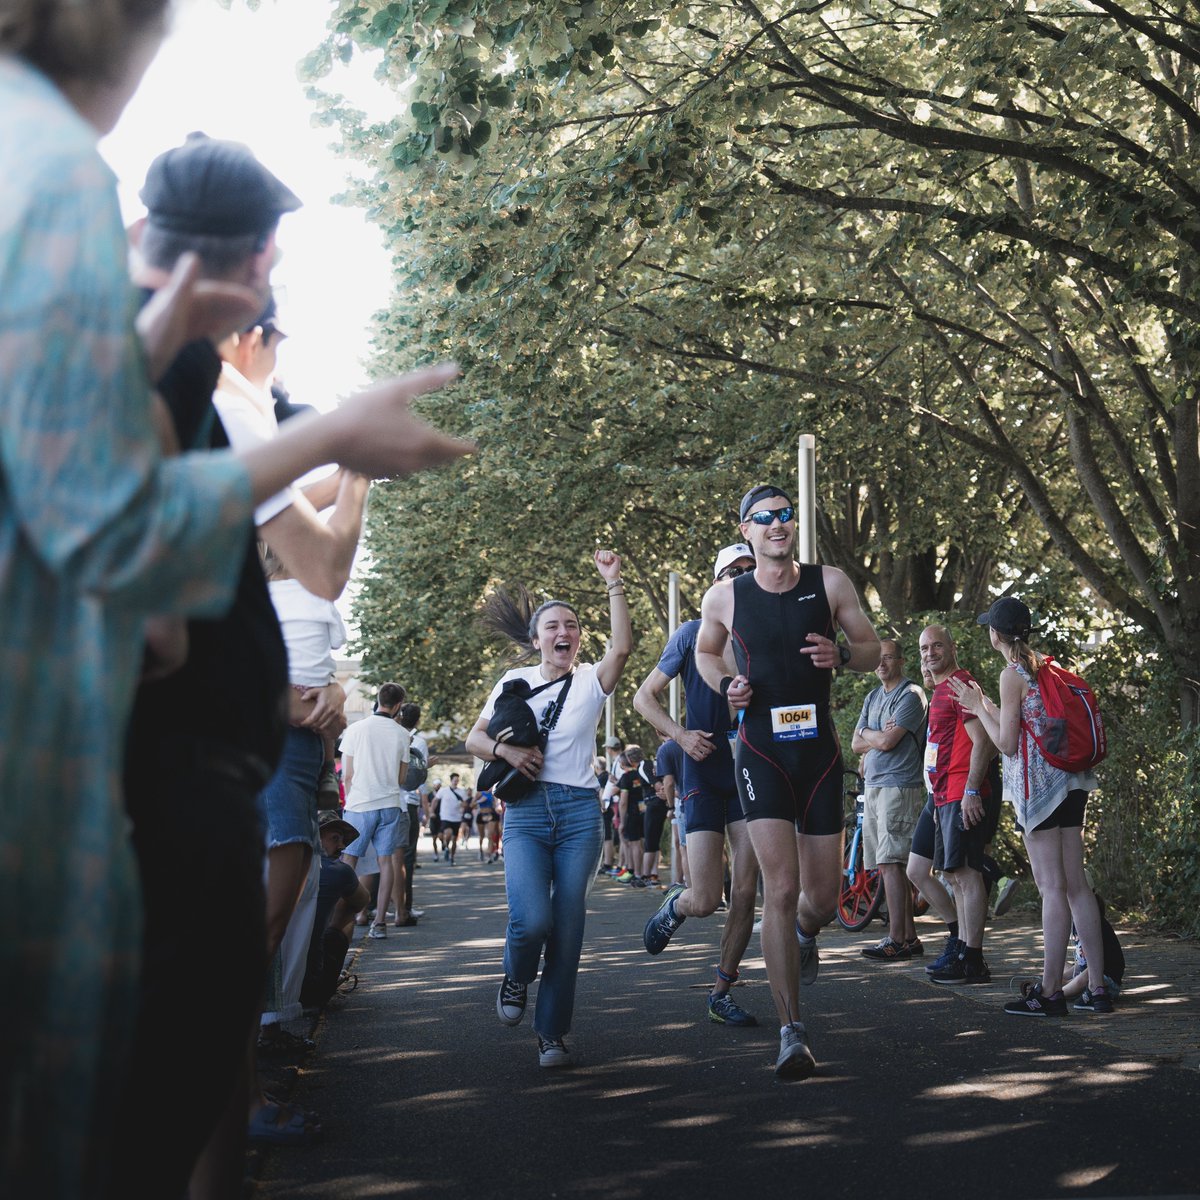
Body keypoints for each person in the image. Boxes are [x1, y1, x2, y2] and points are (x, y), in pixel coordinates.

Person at [0, 11, 462, 1195]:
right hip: (122, 767)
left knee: (173, 1053)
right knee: (138, 1086)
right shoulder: (49, 174)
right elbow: (114, 523)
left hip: (156, 760)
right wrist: (341, 438)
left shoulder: (73, 215)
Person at [695, 487, 880, 1080]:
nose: (779, 524)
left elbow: (875, 649)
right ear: (745, 529)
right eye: (766, 518)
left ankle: (805, 931)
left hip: (818, 752)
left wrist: (844, 655)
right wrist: (727, 685)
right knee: (779, 886)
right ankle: (791, 1031)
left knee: (821, 900)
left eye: (785, 515)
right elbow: (705, 652)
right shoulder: (725, 595)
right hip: (760, 750)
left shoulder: (831, 584)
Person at [465, 550, 631, 1067]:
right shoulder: (512, 683)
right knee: (531, 921)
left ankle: (551, 1033)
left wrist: (614, 583)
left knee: (568, 924)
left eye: (573, 626)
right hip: (528, 813)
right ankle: (516, 976)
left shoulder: (589, 681)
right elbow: (473, 737)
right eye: (553, 626)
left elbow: (622, 649)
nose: (566, 632)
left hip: (580, 810)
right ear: (536, 639)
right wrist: (506, 750)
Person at [951, 597, 1109, 1015]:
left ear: (995, 635)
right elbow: (1018, 724)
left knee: (1052, 888)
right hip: (1072, 784)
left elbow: (1005, 743)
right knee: (1077, 886)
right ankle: (1097, 987)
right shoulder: (1048, 668)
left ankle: (1051, 991)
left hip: (1040, 792)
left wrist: (974, 707)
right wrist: (982, 704)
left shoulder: (1011, 673)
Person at [635, 543, 761, 1028]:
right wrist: (681, 735)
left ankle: (721, 992)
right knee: (707, 899)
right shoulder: (691, 635)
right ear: (715, 584)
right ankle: (678, 902)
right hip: (704, 774)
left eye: (749, 571)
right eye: (732, 572)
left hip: (753, 772)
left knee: (747, 891)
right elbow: (643, 698)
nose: (742, 578)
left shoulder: (769, 636)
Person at [917, 624, 999, 985]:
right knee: (953, 874)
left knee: (966, 874)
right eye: (923, 648)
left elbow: (983, 741)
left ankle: (973, 959)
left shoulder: (960, 686)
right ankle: (964, 950)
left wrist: (970, 791)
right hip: (943, 795)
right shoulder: (942, 688)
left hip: (961, 793)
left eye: (937, 646)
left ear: (952, 647)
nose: (930, 653)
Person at [851, 639, 928, 960]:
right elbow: (858, 743)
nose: (881, 664)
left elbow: (886, 742)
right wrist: (873, 733)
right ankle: (908, 938)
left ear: (901, 660)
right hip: (875, 787)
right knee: (887, 865)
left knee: (892, 863)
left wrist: (872, 734)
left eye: (888, 658)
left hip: (900, 786)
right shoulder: (873, 696)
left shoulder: (911, 695)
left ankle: (897, 938)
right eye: (877, 659)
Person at [340, 685, 412, 938]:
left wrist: (351, 799)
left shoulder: (355, 730)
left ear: (379, 700)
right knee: (386, 862)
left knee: (349, 861)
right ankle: (380, 922)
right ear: (398, 705)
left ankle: (343, 917)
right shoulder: (403, 734)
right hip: (390, 805)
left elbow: (346, 774)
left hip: (359, 804)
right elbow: (402, 777)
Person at [397, 702, 428, 918]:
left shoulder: (390, 734)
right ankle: (404, 907)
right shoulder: (419, 742)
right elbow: (419, 778)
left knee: (384, 857)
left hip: (385, 800)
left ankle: (371, 907)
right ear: (417, 720)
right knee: (406, 857)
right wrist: (426, 808)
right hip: (407, 802)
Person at [436, 773, 468, 864]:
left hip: (457, 818)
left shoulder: (462, 792)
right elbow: (435, 800)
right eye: (455, 780)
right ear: (451, 780)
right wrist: (431, 811)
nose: (456, 782)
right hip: (445, 816)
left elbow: (466, 804)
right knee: (448, 833)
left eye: (457, 780)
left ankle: (452, 857)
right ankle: (446, 847)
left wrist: (463, 805)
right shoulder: (443, 790)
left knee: (454, 839)